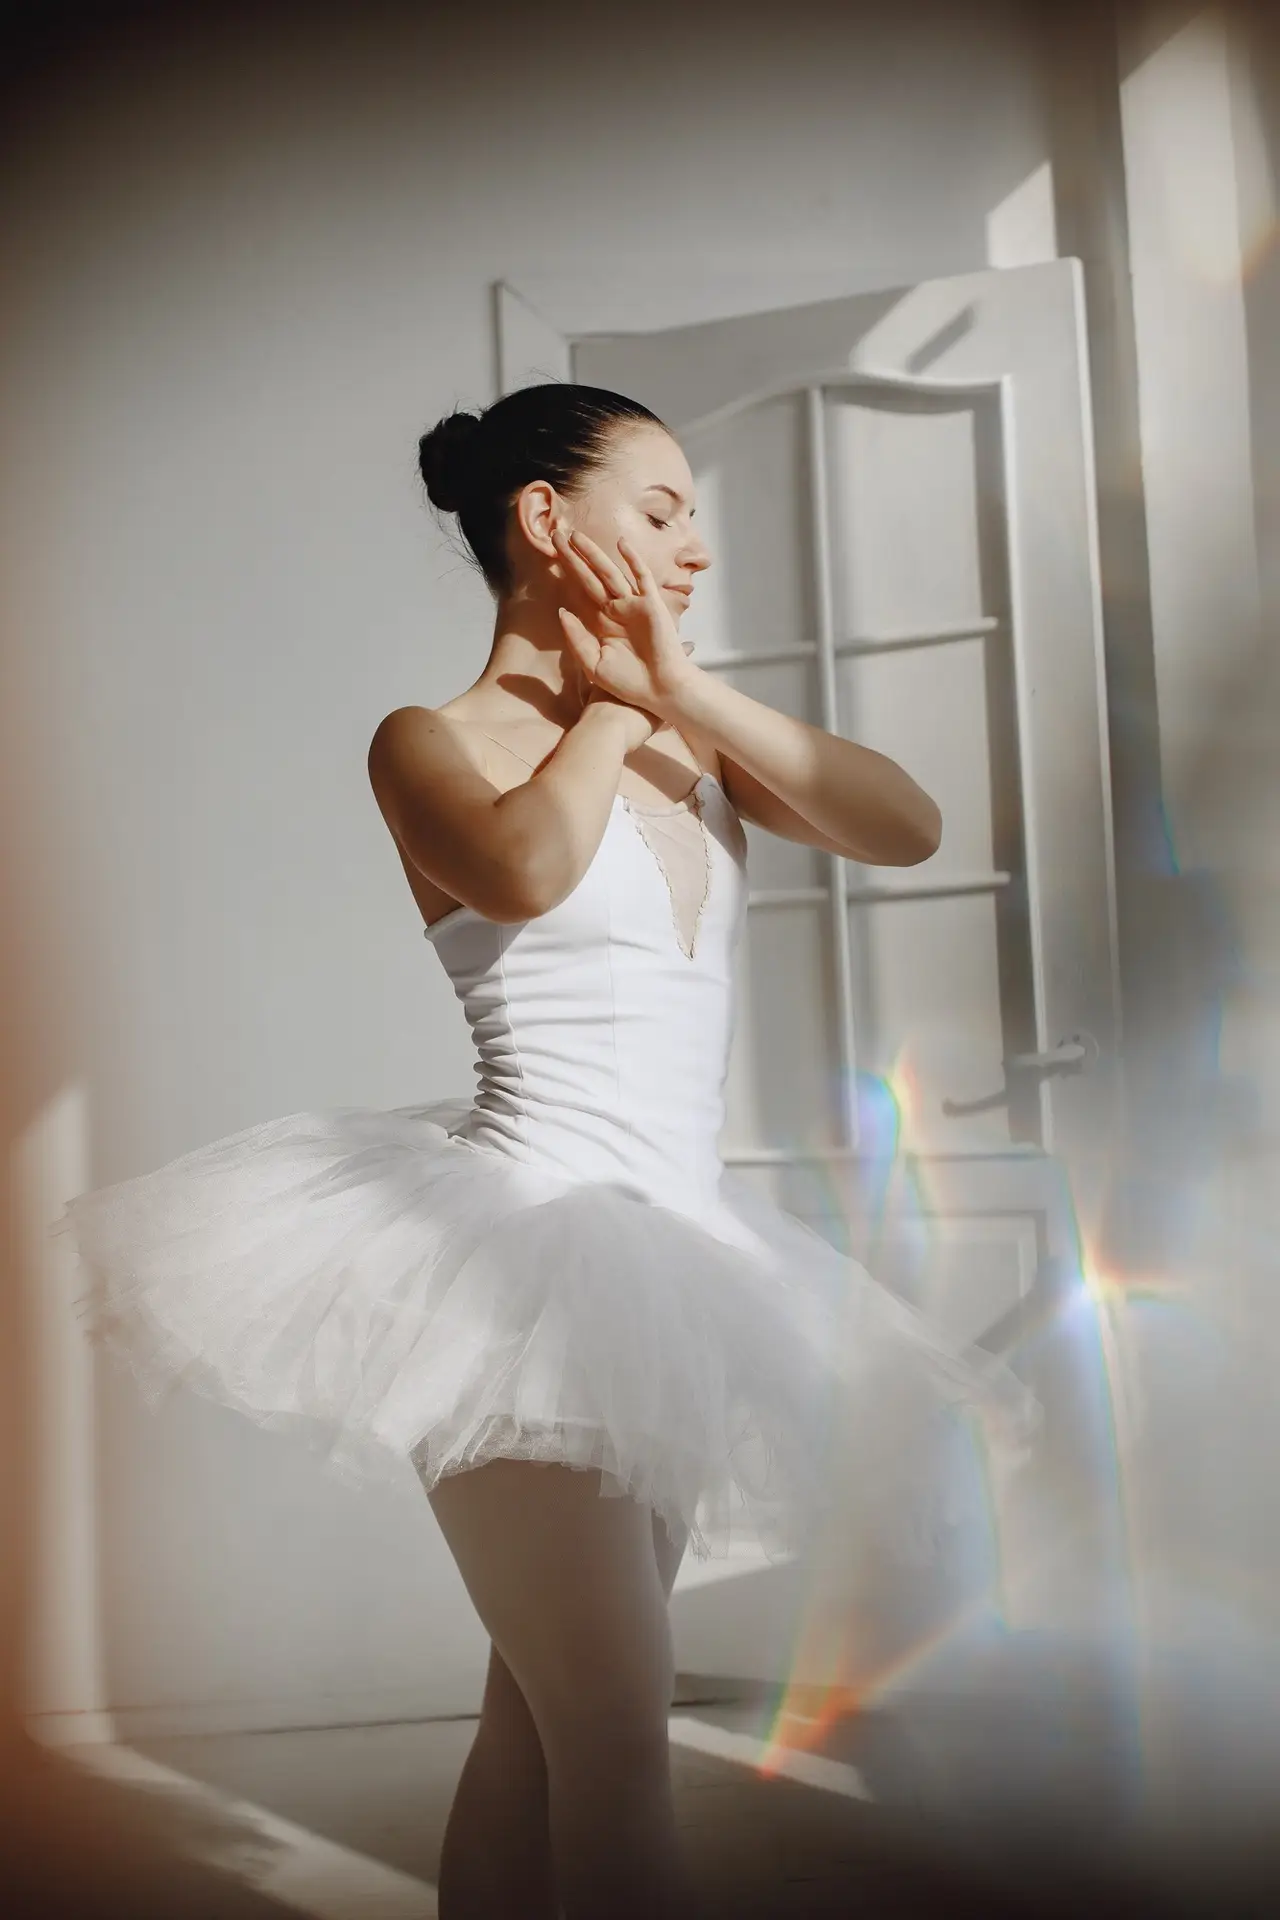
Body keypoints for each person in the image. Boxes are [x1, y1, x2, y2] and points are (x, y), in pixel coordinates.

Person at [58, 383, 1032, 1920]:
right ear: (543, 519)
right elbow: (518, 871)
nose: (694, 549)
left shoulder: (691, 741)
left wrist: (679, 695)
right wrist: (618, 708)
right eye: (662, 511)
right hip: (516, 1268)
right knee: (618, 1742)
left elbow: (904, 826)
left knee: (538, 1729)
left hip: (680, 1270)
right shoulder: (429, 741)